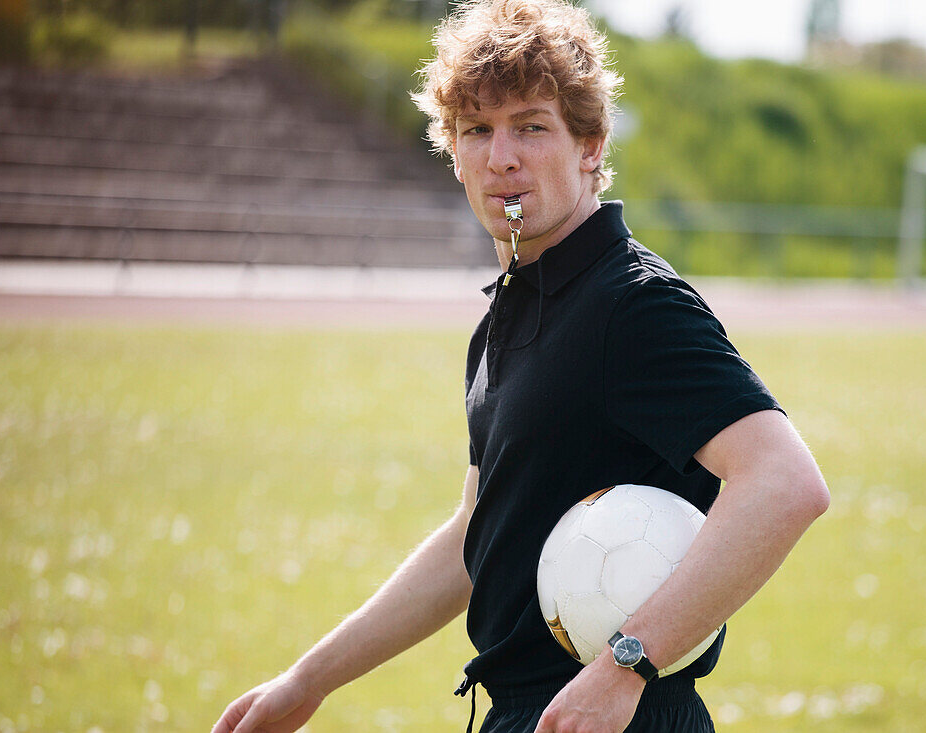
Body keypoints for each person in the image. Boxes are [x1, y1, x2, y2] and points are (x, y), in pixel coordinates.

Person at [211, 1, 830, 731]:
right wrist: (306, 681)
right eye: (477, 130)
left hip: (618, 709)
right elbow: (476, 538)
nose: (501, 156)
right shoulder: (509, 315)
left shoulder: (632, 304)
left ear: (591, 145)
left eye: (531, 126)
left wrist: (627, 661)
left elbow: (785, 482)